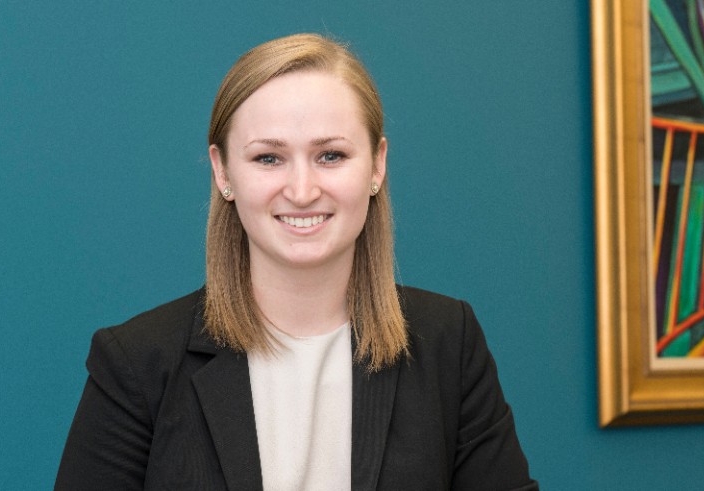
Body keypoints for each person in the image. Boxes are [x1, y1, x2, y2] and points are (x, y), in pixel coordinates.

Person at [55, 33, 537, 490]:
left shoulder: (448, 343)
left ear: (377, 165)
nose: (303, 191)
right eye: (268, 158)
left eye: (330, 155)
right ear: (224, 172)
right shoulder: (137, 363)